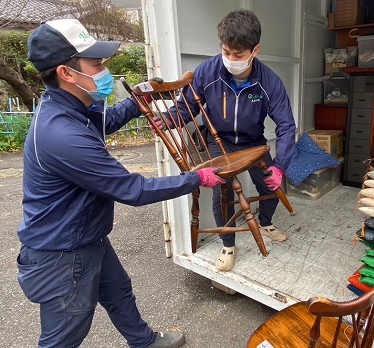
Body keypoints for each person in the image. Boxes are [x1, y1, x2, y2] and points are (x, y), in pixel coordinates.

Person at [17, 19, 226, 348]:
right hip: (62, 253)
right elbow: (133, 189)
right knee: (64, 336)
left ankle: (145, 342)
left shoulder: (77, 106)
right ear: (66, 73)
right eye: (96, 64)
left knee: (118, 292)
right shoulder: (60, 134)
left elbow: (107, 120)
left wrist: (137, 100)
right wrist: (196, 178)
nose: (104, 71)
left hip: (88, 236)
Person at [168, 9, 296, 272]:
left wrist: (280, 165)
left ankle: (266, 221)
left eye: (238, 55)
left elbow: (286, 124)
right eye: (226, 52)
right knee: (222, 191)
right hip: (221, 141)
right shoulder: (207, 71)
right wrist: (168, 120)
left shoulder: (269, 82)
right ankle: (228, 244)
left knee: (271, 186)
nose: (230, 59)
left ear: (255, 50)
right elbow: (186, 108)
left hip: (253, 142)